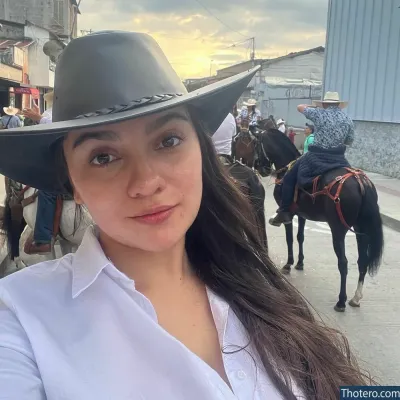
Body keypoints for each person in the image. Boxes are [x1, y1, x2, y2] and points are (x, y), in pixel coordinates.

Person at [0, 32, 370, 399]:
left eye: (168, 141)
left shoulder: (254, 282)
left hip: (322, 158)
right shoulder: (19, 317)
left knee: (292, 178)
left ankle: (285, 207)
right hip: (338, 158)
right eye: (103, 157)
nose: (146, 183)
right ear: (73, 182)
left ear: (201, 149)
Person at [270, 91, 354, 226]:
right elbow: (349, 141)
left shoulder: (318, 113)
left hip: (316, 156)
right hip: (339, 158)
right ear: (339, 104)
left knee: (289, 177)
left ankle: (284, 211)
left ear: (325, 103)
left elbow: (299, 107)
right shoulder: (347, 118)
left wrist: (316, 107)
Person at [22, 91, 57, 254]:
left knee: (47, 190)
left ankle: (43, 239)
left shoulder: (57, 112)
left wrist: (39, 118)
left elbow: (58, 125)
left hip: (63, 159)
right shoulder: (50, 112)